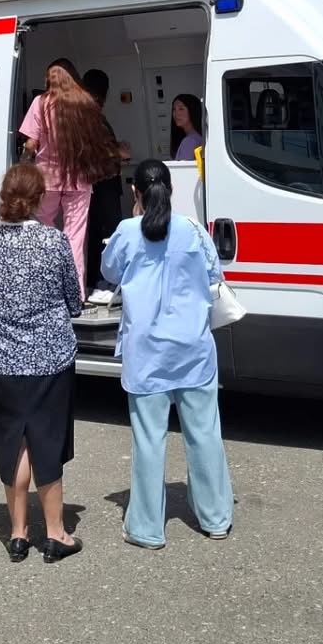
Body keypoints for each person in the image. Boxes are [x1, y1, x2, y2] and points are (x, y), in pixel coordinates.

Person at [101, 159, 232, 549]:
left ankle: (147, 528)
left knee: (148, 440)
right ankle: (216, 518)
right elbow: (215, 277)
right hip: (193, 349)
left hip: (146, 354)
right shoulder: (193, 229)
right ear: (171, 189)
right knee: (205, 434)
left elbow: (110, 272)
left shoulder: (126, 231)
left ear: (135, 193)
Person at [0, 165, 83, 564]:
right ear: (39, 199)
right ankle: (56, 534)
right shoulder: (54, 242)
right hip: (49, 358)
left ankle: (18, 534)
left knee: (12, 443)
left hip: (0, 358)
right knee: (46, 443)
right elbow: (74, 300)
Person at [19, 58, 117, 299]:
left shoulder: (40, 103)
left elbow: (31, 143)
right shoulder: (84, 103)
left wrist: (23, 160)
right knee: (75, 236)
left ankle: (51, 290)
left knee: (45, 231)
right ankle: (76, 294)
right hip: (79, 179)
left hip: (47, 179)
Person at [81, 68, 129, 296]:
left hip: (95, 181)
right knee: (110, 231)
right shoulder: (92, 113)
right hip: (104, 181)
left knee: (96, 231)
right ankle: (106, 280)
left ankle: (95, 278)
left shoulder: (85, 112)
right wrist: (119, 151)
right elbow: (97, 150)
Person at [170, 94, 204, 161]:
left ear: (192, 111)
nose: (176, 114)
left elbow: (183, 170)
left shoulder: (190, 141)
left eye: (181, 109)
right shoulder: (199, 138)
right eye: (174, 109)